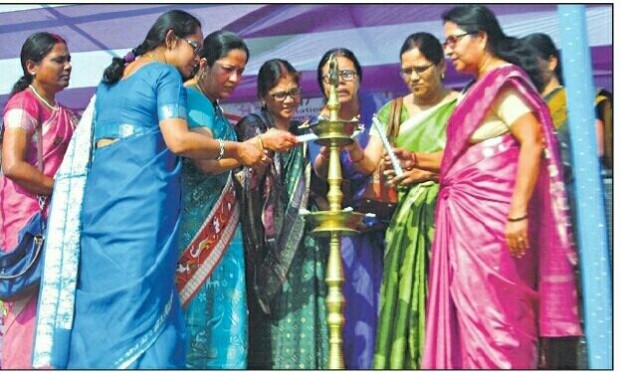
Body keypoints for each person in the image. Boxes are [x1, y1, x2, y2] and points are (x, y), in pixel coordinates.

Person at [32, 10, 265, 369]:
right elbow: (179, 141)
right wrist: (237, 149)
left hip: (102, 205)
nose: (197, 58)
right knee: (142, 301)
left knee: (104, 298)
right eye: (195, 47)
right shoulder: (164, 74)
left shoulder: (110, 81)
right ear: (170, 40)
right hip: (140, 209)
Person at [419, 5, 582, 369]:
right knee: (474, 316)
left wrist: (517, 212)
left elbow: (532, 140)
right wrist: (415, 160)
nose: (449, 50)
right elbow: (464, 158)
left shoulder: (502, 81)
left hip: (495, 229)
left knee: (499, 320)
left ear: (481, 37)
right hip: (470, 227)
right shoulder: (476, 87)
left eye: (454, 41)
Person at [178, 32, 297, 369]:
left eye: (240, 71)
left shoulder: (212, 104)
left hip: (223, 230)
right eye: (227, 69)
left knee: (221, 317)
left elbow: (226, 164)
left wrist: (250, 161)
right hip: (196, 232)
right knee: (199, 317)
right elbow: (204, 161)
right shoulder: (192, 99)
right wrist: (254, 148)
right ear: (204, 64)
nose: (234, 79)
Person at [364, 32, 459, 369]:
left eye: (421, 68)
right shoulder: (393, 111)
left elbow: (468, 160)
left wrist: (423, 167)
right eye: (407, 71)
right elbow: (368, 163)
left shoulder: (461, 107)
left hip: (451, 221)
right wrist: (344, 144)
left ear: (442, 66)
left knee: (446, 300)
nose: (414, 77)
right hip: (405, 224)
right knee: (406, 300)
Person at [236, 59, 329, 369]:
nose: (289, 100)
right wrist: (267, 147)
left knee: (306, 318)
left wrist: (327, 147)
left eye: (293, 92)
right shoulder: (254, 127)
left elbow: (318, 184)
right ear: (264, 96)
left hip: (303, 244)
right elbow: (247, 182)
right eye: (279, 94)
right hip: (266, 249)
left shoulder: (305, 133)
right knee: (272, 325)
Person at [0, 32, 77, 369]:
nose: (68, 66)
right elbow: (13, 165)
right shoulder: (23, 104)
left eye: (68, 59)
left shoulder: (66, 112)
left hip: (58, 218)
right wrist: (61, 190)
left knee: (55, 302)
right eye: (58, 60)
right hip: (29, 222)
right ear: (32, 66)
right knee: (28, 301)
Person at [310, 47, 383, 369]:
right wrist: (329, 143)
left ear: (360, 78)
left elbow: (374, 165)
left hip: (385, 223)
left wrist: (351, 141)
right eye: (330, 77)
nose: (339, 82)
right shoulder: (320, 121)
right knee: (353, 306)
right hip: (346, 229)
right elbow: (318, 174)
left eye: (346, 74)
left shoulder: (379, 111)